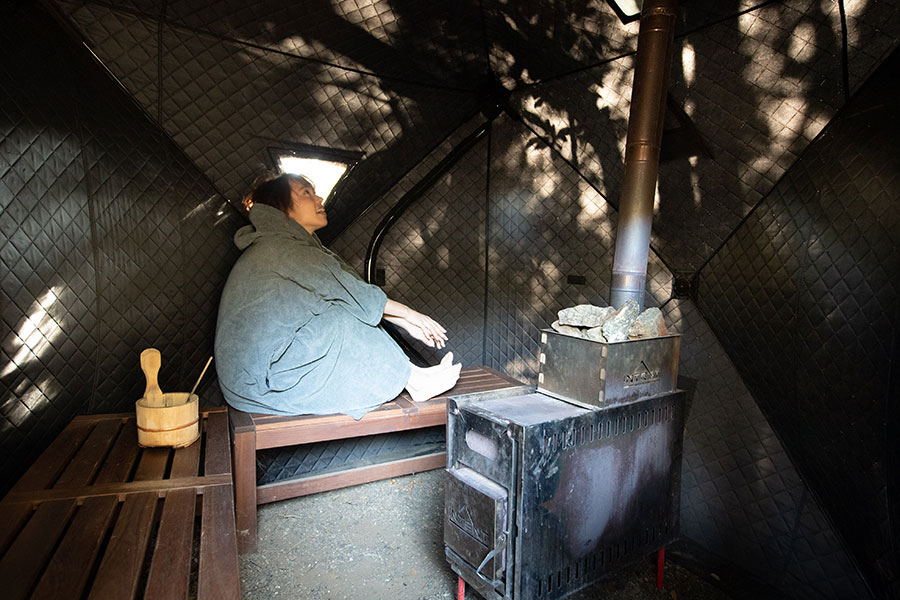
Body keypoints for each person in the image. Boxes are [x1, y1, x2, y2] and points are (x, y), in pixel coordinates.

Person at [214, 173, 461, 418]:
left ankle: (413, 375)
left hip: (263, 373)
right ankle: (414, 380)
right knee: (336, 319)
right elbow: (351, 294)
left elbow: (352, 294)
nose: (319, 197)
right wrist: (411, 316)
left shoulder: (286, 245)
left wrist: (407, 322)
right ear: (281, 208)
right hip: (260, 382)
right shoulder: (280, 248)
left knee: (338, 311)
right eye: (306, 193)